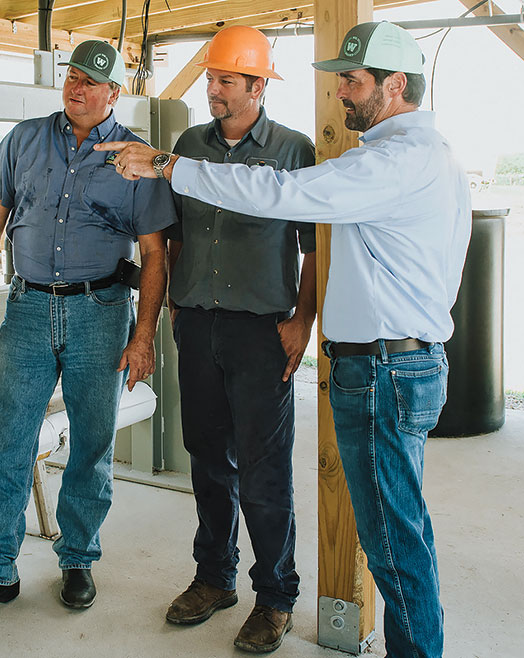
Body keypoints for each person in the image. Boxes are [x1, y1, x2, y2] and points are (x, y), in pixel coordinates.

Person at [97, 21, 470, 658]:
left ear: (396, 85)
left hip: (378, 365)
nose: (344, 95)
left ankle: (284, 597)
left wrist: (165, 164)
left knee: (388, 535)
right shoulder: (391, 156)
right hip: (363, 360)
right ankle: (216, 577)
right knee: (387, 529)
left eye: (352, 82)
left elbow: (283, 199)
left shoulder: (392, 160)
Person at [0, 39, 176, 622]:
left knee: (93, 444)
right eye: (72, 76)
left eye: (91, 81)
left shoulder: (137, 158)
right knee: (7, 440)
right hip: (26, 310)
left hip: (101, 311)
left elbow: (155, 254)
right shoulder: (25, 139)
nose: (77, 88)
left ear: (114, 92)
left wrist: (143, 336)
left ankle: (77, 558)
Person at [162, 25, 316, 654]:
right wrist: (175, 305)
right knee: (206, 456)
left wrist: (302, 321)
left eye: (226, 80)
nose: (213, 89)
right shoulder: (188, 144)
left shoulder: (292, 149)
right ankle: (214, 577)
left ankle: (275, 595)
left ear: (258, 86)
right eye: (210, 78)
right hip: (198, 323)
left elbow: (315, 247)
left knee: (263, 469)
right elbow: (173, 236)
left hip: (262, 331)